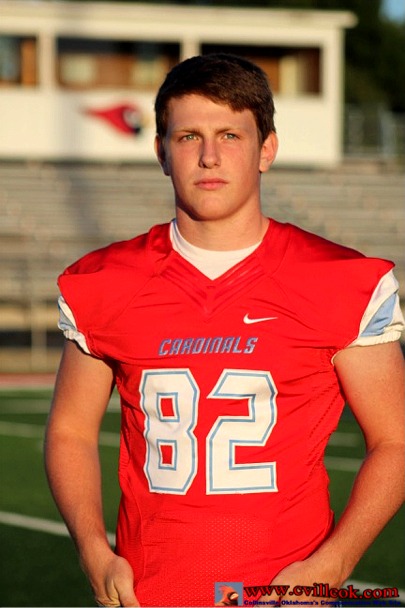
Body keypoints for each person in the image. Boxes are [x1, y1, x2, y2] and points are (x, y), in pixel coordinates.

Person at [45, 54, 405, 608]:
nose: (209, 156)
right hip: (149, 592)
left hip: (284, 594)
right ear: (161, 151)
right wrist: (92, 547)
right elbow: (70, 430)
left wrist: (330, 566)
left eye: (230, 135)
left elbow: (395, 441)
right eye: (188, 136)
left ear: (267, 149)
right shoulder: (106, 282)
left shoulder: (341, 281)